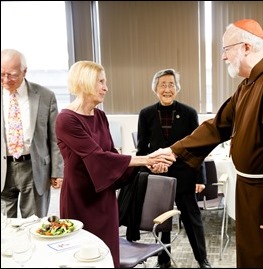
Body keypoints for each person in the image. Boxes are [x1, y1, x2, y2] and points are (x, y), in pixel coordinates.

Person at [153, 19, 263, 267]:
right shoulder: (251, 83)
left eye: (226, 49)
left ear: (245, 47)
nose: (223, 57)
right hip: (252, 192)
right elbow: (217, 125)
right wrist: (173, 150)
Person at [55, 60, 175, 268]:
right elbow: (97, 158)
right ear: (85, 82)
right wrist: (146, 159)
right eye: (101, 82)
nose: (106, 87)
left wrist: (145, 165)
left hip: (104, 198)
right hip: (80, 199)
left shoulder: (100, 116)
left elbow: (111, 155)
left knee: (108, 254)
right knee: (81, 258)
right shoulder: (66, 120)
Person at [136, 68, 211, 268]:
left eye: (171, 85)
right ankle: (163, 258)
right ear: (155, 89)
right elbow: (142, 148)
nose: (167, 89)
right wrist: (146, 172)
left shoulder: (189, 113)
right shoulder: (146, 114)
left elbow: (198, 148)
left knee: (192, 219)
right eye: (163, 85)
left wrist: (200, 178)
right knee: (161, 220)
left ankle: (201, 258)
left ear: (177, 89)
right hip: (158, 176)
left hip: (185, 175)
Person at [1, 48, 64, 218]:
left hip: (34, 167)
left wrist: (57, 171)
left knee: (34, 224)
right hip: (3, 169)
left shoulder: (45, 96)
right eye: (1, 74)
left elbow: (54, 138)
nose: (5, 80)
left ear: (24, 71)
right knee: (5, 229)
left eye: (11, 74)